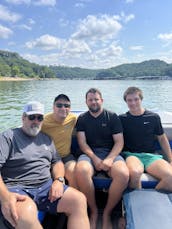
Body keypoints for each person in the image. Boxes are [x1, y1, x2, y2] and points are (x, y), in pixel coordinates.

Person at [0, 101, 89, 229]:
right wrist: (5, 197)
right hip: (17, 188)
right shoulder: (8, 137)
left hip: (45, 188)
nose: (36, 121)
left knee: (79, 200)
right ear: (23, 118)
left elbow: (57, 162)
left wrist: (58, 180)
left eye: (39, 118)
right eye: (32, 117)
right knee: (26, 213)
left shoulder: (46, 139)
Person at [75, 88, 129, 229]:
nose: (93, 102)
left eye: (96, 99)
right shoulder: (82, 119)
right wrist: (94, 158)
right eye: (90, 99)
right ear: (86, 102)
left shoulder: (112, 117)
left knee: (123, 174)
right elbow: (82, 143)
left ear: (101, 100)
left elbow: (119, 142)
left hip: (111, 153)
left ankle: (106, 213)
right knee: (81, 170)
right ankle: (93, 211)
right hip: (89, 153)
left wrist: (110, 159)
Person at [119, 86, 172, 190]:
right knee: (135, 173)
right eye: (129, 100)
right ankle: (136, 202)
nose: (133, 103)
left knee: (170, 177)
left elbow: (162, 138)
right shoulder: (122, 119)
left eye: (136, 99)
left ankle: (152, 199)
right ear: (126, 102)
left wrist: (170, 159)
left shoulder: (153, 117)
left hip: (151, 156)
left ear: (141, 99)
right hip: (131, 155)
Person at [41, 94, 77, 188]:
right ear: (53, 107)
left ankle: (73, 198)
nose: (63, 108)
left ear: (70, 108)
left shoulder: (73, 119)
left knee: (74, 172)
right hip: (48, 158)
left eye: (66, 106)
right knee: (53, 180)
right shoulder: (43, 121)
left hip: (66, 156)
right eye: (59, 105)